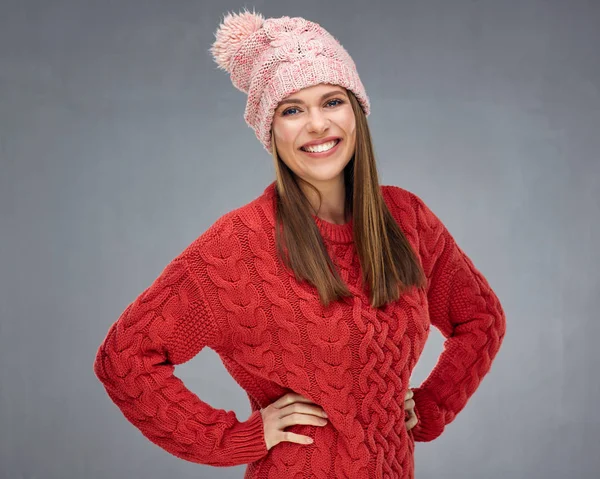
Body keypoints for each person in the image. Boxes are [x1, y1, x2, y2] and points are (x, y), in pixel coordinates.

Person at [93, 9, 506, 479]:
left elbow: (481, 317)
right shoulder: (238, 247)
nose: (316, 124)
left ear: (356, 111)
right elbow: (124, 358)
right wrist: (234, 439)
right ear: (271, 130)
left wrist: (431, 407)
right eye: (292, 109)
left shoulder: (405, 218)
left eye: (332, 101)